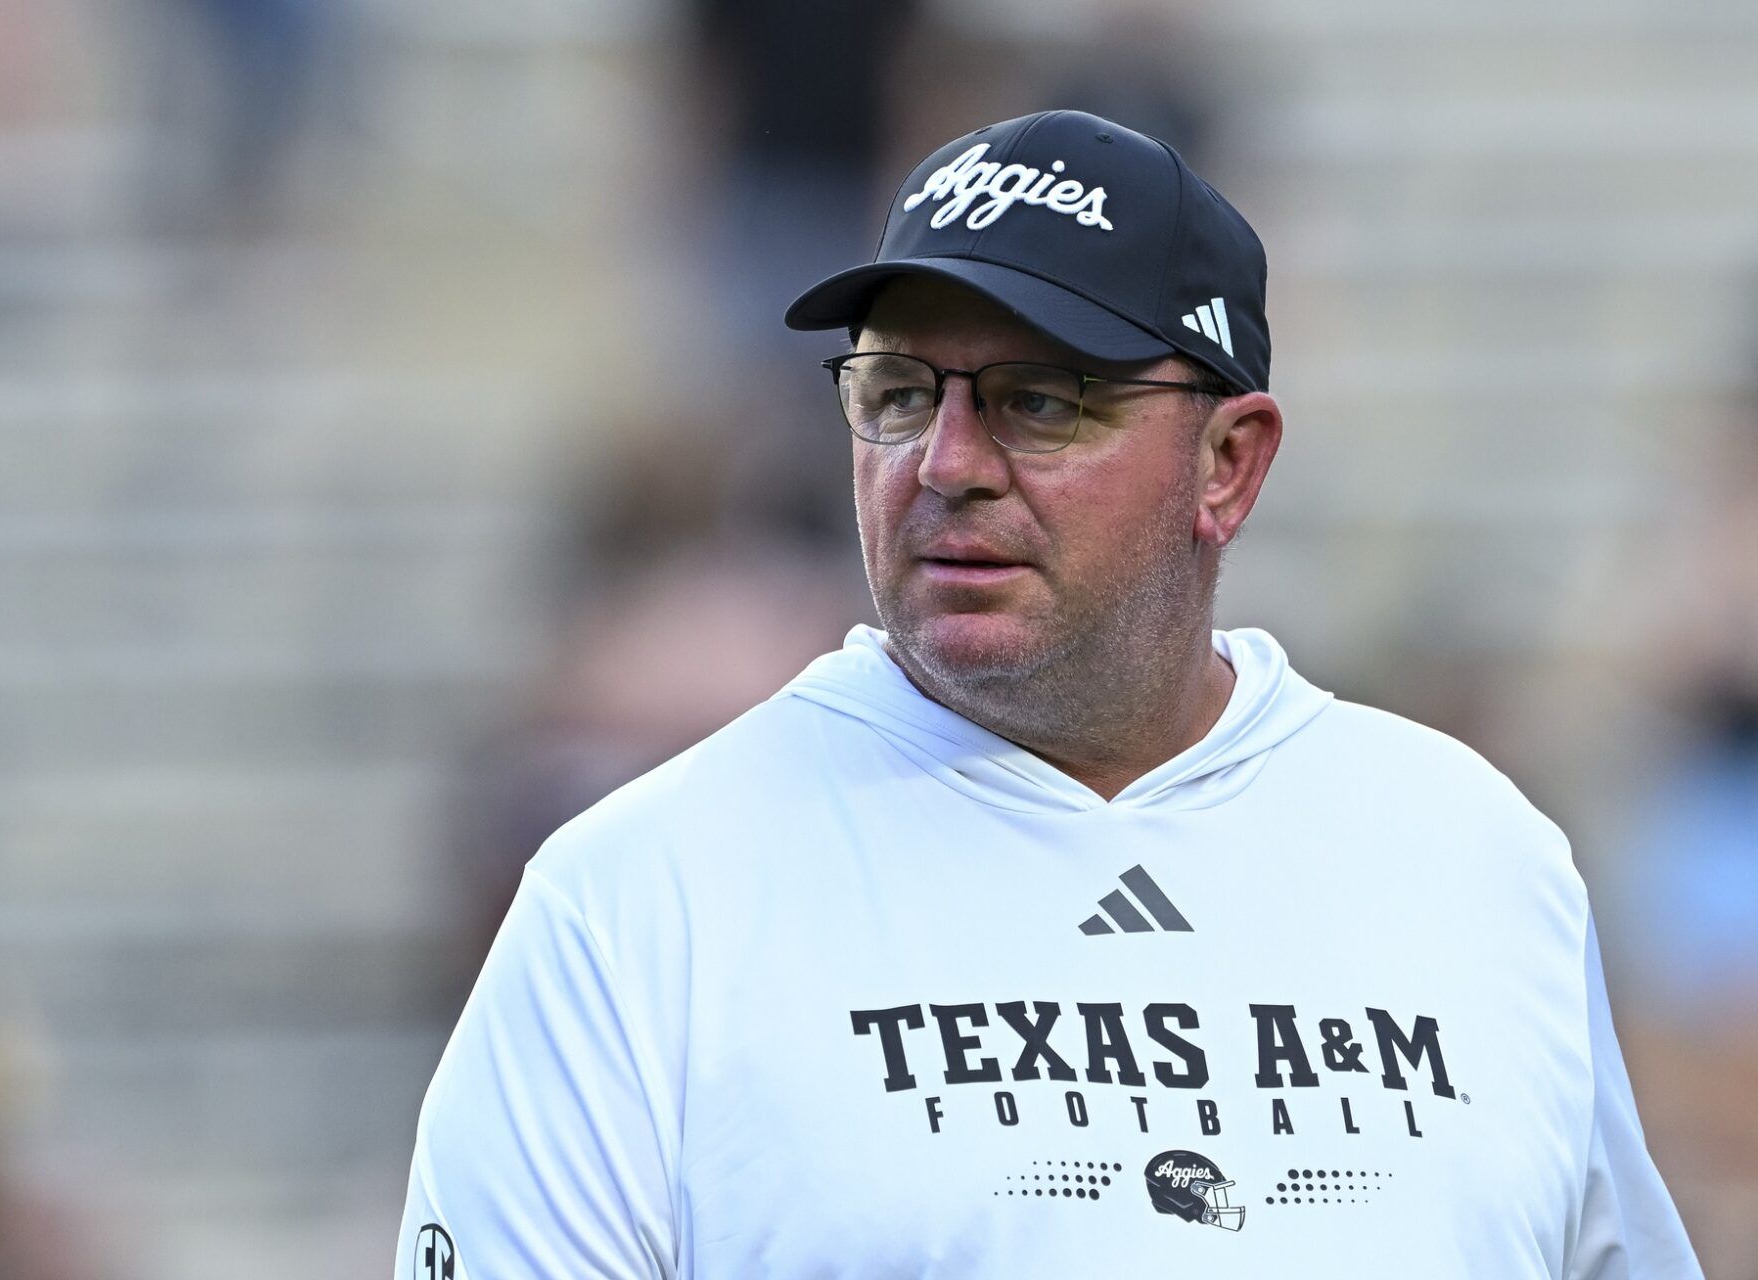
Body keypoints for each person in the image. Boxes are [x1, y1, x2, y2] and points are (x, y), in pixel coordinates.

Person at [394, 111, 1702, 1278]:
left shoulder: (1474, 859)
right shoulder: (638, 902)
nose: (945, 463)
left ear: (1229, 464)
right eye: (899, 394)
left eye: (1040, 401)